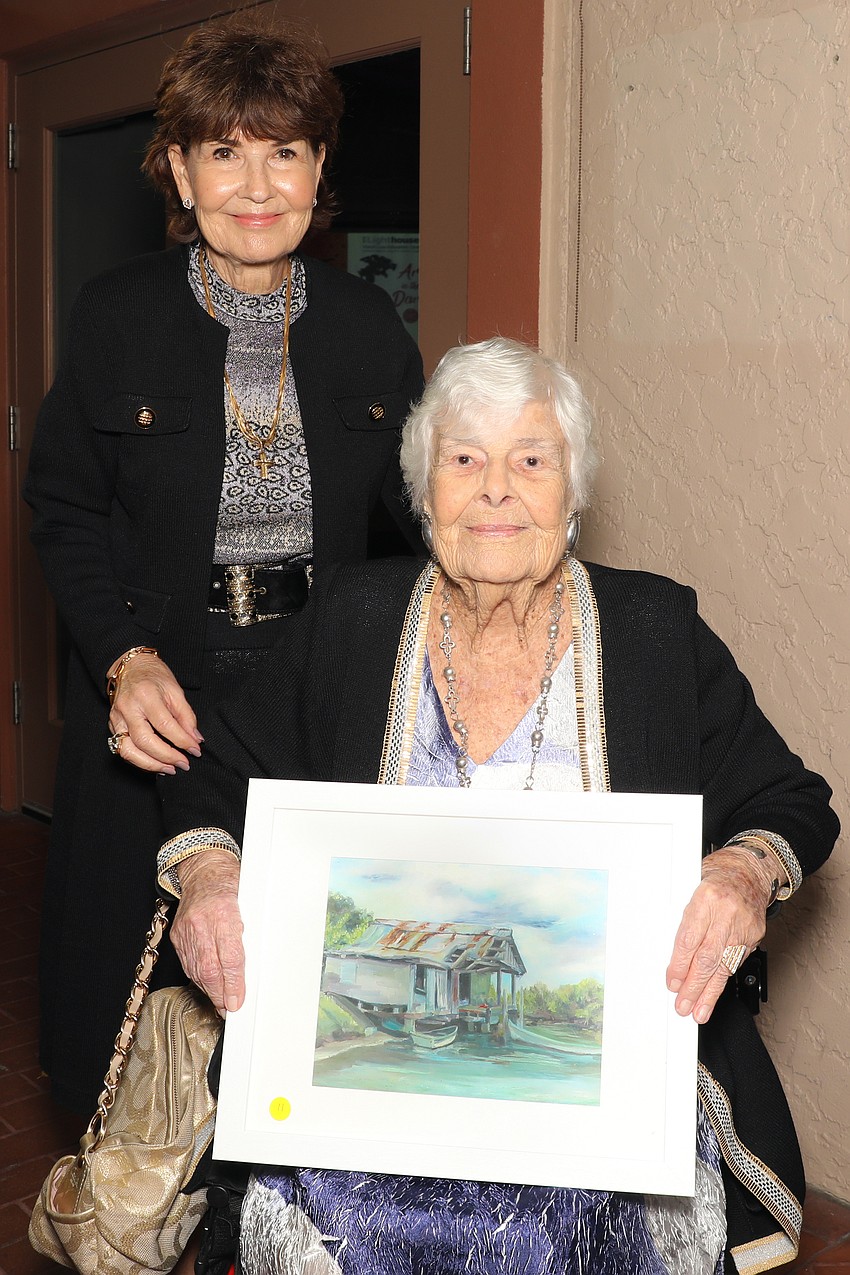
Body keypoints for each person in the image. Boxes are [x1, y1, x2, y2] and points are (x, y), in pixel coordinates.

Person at [159, 338, 838, 1274]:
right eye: (464, 458)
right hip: (362, 1122)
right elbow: (214, 767)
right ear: (423, 486)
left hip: (610, 1122)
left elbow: (790, 799)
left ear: (574, 488)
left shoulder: (653, 630)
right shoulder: (353, 617)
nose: (496, 490)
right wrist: (208, 874)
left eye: (531, 459)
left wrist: (741, 872)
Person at [23, 11, 423, 1115]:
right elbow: (64, 509)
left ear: (319, 169)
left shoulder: (368, 325)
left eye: (284, 151)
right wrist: (122, 659)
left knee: (305, 995)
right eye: (224, 152)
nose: (256, 185)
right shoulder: (115, 315)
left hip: (310, 695)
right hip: (157, 691)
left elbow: (425, 514)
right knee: (126, 999)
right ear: (179, 170)